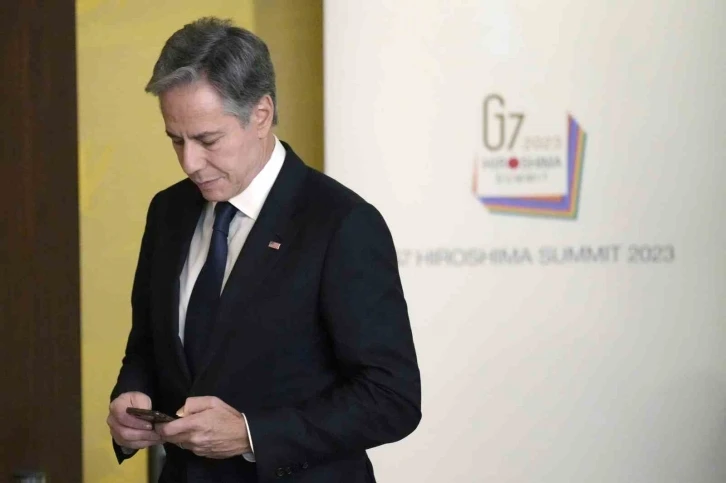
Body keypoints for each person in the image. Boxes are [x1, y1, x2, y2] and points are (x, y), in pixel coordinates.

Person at [105, 17, 421, 483]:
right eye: (176, 139)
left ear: (261, 114)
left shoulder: (341, 223)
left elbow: (392, 398)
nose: (189, 162)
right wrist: (131, 398)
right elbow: (148, 347)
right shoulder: (168, 211)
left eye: (208, 140)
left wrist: (252, 434)